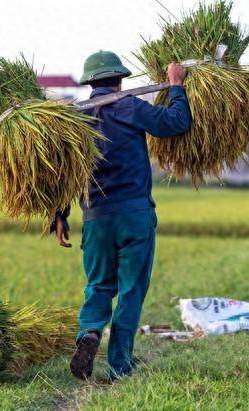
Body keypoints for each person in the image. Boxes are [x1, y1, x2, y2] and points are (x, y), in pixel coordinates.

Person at [50, 50, 191, 381]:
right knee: (130, 290)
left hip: (96, 218)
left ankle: (90, 332)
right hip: (134, 215)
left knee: (99, 285)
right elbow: (175, 122)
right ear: (119, 79)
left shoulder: (76, 118)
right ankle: (119, 365)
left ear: (90, 83)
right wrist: (176, 86)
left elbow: (62, 173)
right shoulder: (129, 105)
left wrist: (59, 214)